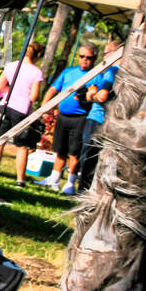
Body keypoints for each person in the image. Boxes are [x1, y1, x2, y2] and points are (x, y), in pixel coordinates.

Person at [40, 43, 101, 195]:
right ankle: (53, 179)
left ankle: (70, 183)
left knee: (74, 152)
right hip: (63, 116)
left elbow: (96, 96)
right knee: (60, 149)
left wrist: (88, 96)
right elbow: (53, 89)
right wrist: (44, 108)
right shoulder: (69, 72)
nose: (84, 60)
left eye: (88, 57)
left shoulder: (98, 75)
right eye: (81, 56)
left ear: (94, 58)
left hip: (80, 118)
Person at [0, 40, 45, 186]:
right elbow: (34, 96)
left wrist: (11, 91)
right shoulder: (36, 72)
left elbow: (0, 86)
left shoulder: (12, 65)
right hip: (22, 109)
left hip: (6, 105)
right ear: (38, 55)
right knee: (22, 145)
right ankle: (20, 179)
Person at [76, 36, 121, 193]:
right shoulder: (130, 73)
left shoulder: (113, 70)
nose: (104, 56)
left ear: (116, 53)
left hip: (98, 119)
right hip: (116, 123)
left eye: (106, 53)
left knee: (89, 159)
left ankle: (84, 192)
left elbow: (101, 96)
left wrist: (91, 96)